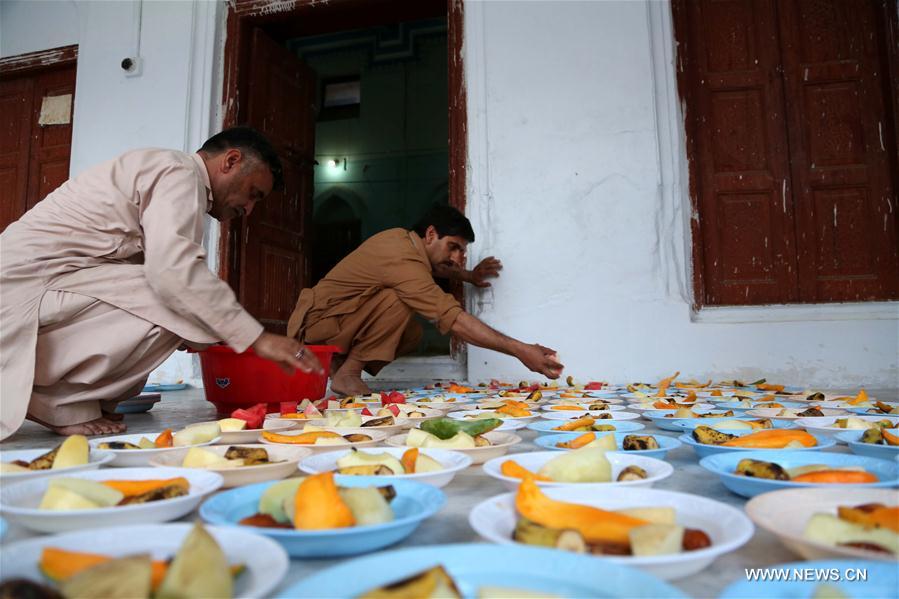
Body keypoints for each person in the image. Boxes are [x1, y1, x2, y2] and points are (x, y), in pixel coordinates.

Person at [0, 127, 322, 440]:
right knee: (178, 296)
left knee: (189, 306)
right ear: (231, 161)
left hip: (47, 287)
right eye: (253, 194)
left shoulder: (173, 175)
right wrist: (257, 338)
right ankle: (55, 400)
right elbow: (172, 273)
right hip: (24, 291)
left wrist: (205, 328)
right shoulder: (179, 172)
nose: (249, 210)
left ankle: (72, 397)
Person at [287, 204, 563, 395]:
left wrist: (468, 276)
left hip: (333, 321)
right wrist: (520, 350)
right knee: (401, 299)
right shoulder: (401, 256)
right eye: (453, 247)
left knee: (412, 333)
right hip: (315, 326)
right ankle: (348, 374)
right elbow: (454, 319)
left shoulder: (405, 244)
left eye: (461, 251)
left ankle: (340, 365)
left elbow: (436, 267)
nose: (457, 258)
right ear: (431, 234)